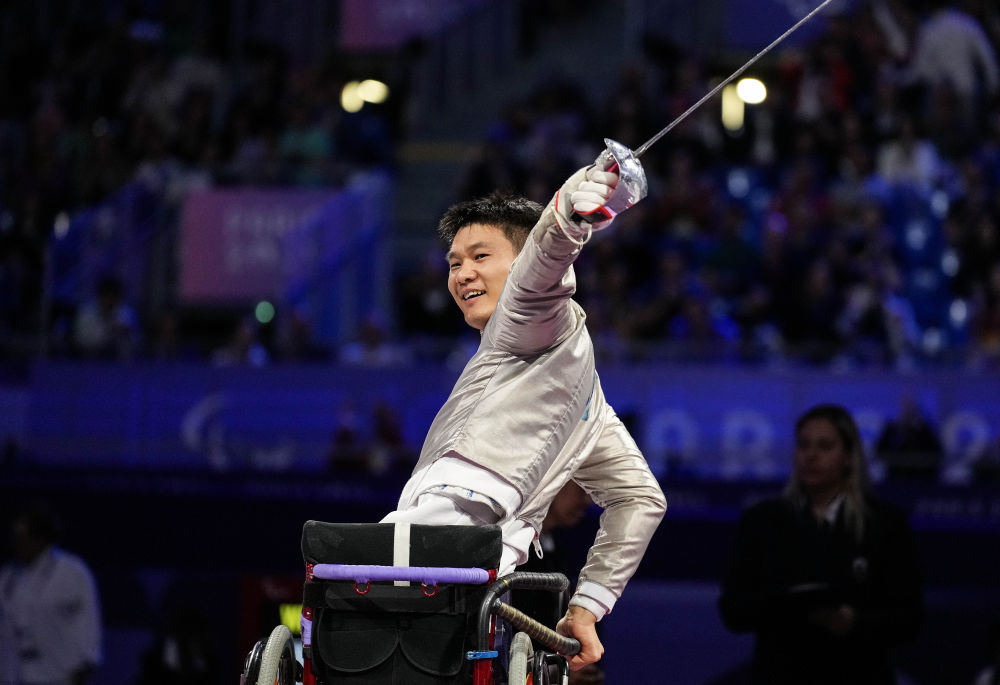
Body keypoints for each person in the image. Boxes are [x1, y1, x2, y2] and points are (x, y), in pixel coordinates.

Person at [381, 161, 667, 672]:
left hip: (443, 543)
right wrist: (587, 607)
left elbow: (542, 269)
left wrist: (568, 216)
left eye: (480, 256)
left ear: (520, 264)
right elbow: (640, 500)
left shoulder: (532, 316)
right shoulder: (585, 403)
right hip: (472, 567)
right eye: (453, 263)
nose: (462, 274)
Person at [717, 403, 924, 685]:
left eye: (825, 446)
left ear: (849, 456)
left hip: (858, 673)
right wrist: (786, 608)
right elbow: (733, 610)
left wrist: (855, 622)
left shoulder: (885, 524)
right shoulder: (762, 521)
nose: (811, 455)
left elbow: (910, 617)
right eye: (804, 445)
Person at [0, 503, 103, 685]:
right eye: (15, 537)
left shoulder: (72, 572)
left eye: (23, 537)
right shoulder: (8, 576)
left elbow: (89, 627)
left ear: (41, 537)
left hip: (58, 674)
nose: (17, 544)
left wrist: (83, 666)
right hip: (14, 674)